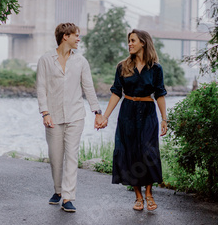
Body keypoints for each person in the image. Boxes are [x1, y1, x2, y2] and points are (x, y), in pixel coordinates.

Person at [97, 29, 168, 211]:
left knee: (149, 152)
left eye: (133, 40)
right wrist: (105, 116)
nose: (129, 44)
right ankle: (138, 196)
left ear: (143, 42)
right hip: (127, 112)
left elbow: (160, 94)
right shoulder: (123, 66)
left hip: (148, 112)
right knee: (130, 152)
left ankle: (149, 193)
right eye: (129, 41)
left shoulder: (156, 68)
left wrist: (164, 119)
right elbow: (116, 92)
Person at [36, 23, 103, 213]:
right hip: (53, 116)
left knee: (72, 156)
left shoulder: (81, 61)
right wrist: (45, 112)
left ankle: (67, 197)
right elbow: (41, 88)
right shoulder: (45, 60)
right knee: (56, 157)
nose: (79, 39)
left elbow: (88, 87)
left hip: (75, 116)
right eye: (76, 35)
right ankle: (58, 190)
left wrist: (97, 112)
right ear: (65, 36)